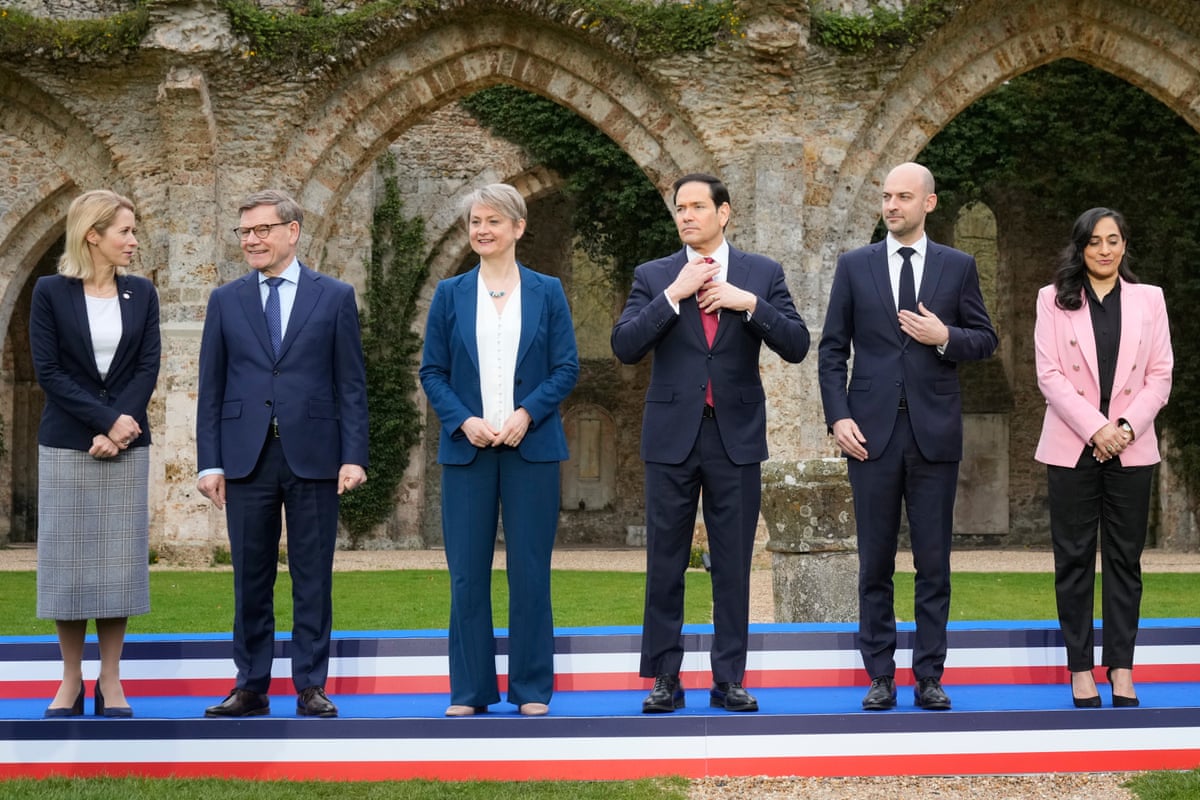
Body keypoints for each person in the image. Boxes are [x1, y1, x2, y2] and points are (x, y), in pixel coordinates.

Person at [612, 173, 810, 714]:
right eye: (680, 207)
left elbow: (796, 344)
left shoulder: (761, 274)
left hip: (736, 439)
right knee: (665, 562)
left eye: (698, 206)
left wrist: (750, 304)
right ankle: (664, 679)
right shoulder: (654, 275)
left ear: (725, 213)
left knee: (732, 564)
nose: (686, 215)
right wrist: (672, 297)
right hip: (671, 438)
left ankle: (729, 679)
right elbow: (625, 345)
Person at [818, 162, 997, 712]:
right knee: (874, 562)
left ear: (929, 204)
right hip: (868, 436)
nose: (891, 205)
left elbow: (985, 339)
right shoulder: (854, 266)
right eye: (886, 196)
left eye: (903, 197)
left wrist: (945, 337)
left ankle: (929, 677)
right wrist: (838, 417)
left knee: (933, 563)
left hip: (933, 434)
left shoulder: (958, 266)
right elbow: (831, 351)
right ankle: (879, 676)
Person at [196, 189, 369, 718]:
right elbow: (212, 385)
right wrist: (210, 461)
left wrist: (354, 455)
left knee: (313, 575)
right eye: (244, 232)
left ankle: (310, 685)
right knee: (250, 576)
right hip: (245, 457)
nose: (252, 240)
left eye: (262, 230)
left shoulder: (334, 295)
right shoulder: (225, 300)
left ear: (292, 232)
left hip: (316, 455)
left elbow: (351, 384)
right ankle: (249, 685)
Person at [419, 183, 579, 717]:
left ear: (518, 227)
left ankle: (532, 689)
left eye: (492, 221)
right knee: (466, 574)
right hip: (467, 453)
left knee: (530, 570)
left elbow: (566, 368)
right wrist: (463, 420)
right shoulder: (450, 293)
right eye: (475, 222)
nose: (481, 230)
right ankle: (469, 691)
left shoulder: (548, 291)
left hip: (530, 448)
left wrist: (526, 413)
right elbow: (432, 372)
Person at [1034, 208, 1172, 709]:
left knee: (1124, 559)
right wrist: (1097, 429)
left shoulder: (1149, 300)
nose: (1106, 250)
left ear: (1124, 245)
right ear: (1081, 248)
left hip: (1132, 446)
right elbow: (1049, 376)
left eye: (1114, 240)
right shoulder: (1052, 300)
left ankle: (1121, 666)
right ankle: (1079, 668)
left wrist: (1125, 429)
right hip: (1074, 446)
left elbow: (1161, 375)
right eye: (1095, 242)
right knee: (1072, 558)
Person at [30, 189, 160, 718]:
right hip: (68, 443)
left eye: (132, 231)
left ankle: (110, 680)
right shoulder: (49, 293)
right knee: (68, 567)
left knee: (116, 566)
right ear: (93, 235)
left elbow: (147, 365)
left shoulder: (143, 294)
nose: (133, 241)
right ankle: (69, 679)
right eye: (124, 231)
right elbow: (50, 371)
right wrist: (104, 421)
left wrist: (121, 428)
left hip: (126, 445)